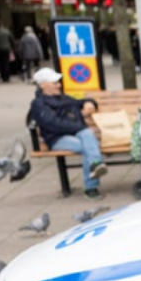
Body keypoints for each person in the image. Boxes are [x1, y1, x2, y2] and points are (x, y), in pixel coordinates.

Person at [29, 68, 107, 199]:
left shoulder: (62, 98)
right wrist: (78, 127)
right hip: (57, 139)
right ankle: (92, 183)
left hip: (77, 133)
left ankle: (94, 170)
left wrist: (90, 103)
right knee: (88, 144)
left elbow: (79, 102)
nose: (58, 85)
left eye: (58, 82)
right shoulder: (38, 104)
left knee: (87, 137)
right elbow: (53, 124)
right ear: (43, 84)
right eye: (54, 83)